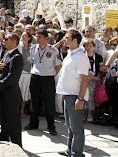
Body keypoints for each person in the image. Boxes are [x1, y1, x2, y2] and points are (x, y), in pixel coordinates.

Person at [57, 29, 90, 157]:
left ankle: (77, 153)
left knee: (76, 127)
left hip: (76, 96)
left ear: (75, 40)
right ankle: (70, 149)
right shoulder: (71, 54)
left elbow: (84, 79)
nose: (64, 39)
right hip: (68, 94)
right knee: (70, 126)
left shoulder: (80, 57)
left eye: (67, 37)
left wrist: (80, 98)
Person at [25, 29, 62, 136]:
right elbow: (31, 62)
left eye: (39, 37)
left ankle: (51, 126)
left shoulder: (53, 50)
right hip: (36, 77)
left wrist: (51, 74)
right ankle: (33, 123)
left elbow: (58, 65)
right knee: (35, 101)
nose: (37, 38)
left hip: (48, 78)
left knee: (49, 103)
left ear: (46, 38)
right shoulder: (33, 49)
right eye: (36, 36)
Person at [0, 33, 23, 146]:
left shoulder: (17, 57)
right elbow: (2, 69)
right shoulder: (6, 54)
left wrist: (0, 85)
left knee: (13, 119)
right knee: (4, 117)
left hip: (11, 93)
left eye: (6, 39)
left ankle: (17, 143)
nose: (4, 41)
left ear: (14, 42)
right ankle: (4, 138)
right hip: (3, 92)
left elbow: (13, 76)